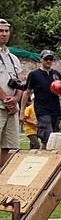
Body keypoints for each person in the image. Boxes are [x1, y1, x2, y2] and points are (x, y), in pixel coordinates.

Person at [20, 49, 61, 150]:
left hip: (55, 109)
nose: (48, 61)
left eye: (51, 59)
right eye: (46, 58)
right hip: (42, 110)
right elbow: (27, 92)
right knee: (48, 138)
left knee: (54, 138)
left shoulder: (56, 74)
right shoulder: (34, 74)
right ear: (41, 59)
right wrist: (22, 111)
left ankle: (45, 158)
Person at [0, 18, 22, 165]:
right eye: (1, 31)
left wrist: (15, 99)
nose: (4, 34)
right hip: (1, 106)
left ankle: (4, 178)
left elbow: (20, 82)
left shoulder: (13, 57)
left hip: (12, 108)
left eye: (6, 31)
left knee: (11, 146)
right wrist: (5, 99)